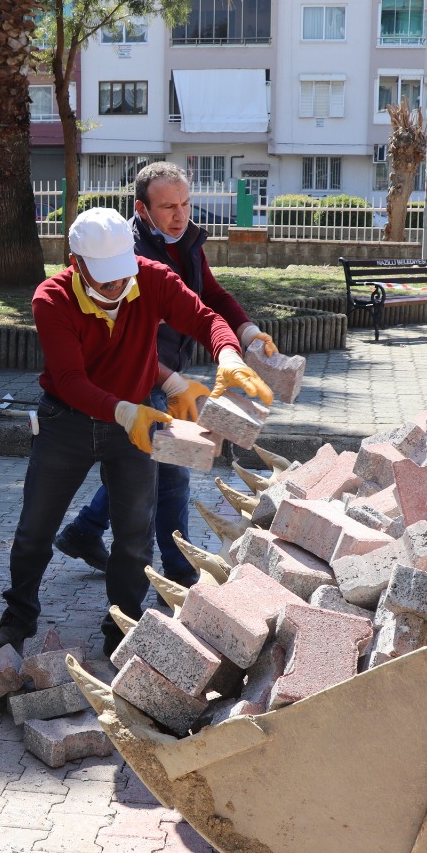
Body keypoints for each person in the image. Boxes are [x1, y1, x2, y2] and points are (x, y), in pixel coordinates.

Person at [0, 207, 272, 658]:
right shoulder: (50, 298)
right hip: (67, 424)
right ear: (76, 263)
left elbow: (206, 318)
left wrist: (229, 355)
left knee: (135, 533)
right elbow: (72, 380)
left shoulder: (151, 279)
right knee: (35, 528)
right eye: (106, 280)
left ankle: (123, 622)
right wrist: (124, 411)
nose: (117, 287)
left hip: (134, 425)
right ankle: (18, 616)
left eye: (122, 277)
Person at [55, 162, 281, 587]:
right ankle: (180, 573)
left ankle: (84, 531)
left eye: (186, 203)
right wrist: (170, 381)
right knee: (173, 470)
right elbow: (118, 340)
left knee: (146, 464)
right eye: (168, 207)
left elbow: (210, 296)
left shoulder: (187, 240)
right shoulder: (125, 255)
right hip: (137, 376)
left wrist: (247, 332)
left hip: (169, 367)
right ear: (142, 210)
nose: (181, 215)